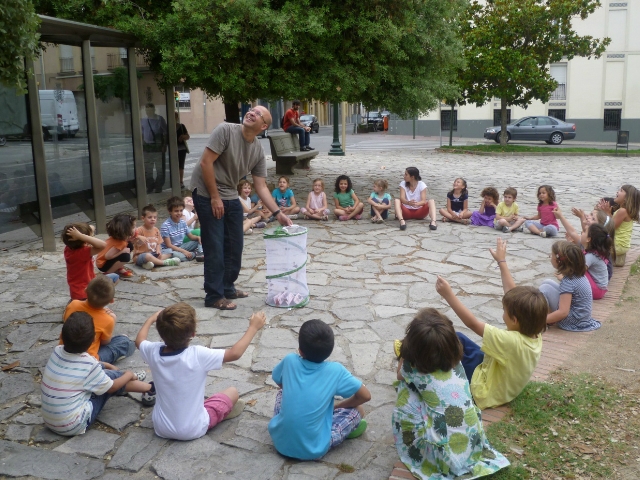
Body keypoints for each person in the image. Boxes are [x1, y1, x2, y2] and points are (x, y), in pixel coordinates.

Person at [190, 106, 292, 311]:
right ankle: (213, 295)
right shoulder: (225, 130)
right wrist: (214, 198)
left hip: (229, 194)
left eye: (258, 113)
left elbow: (261, 186)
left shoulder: (256, 151)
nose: (252, 112)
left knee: (235, 245)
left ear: (263, 126)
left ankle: (227, 286)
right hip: (205, 192)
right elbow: (205, 163)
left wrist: (278, 213)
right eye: (252, 109)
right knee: (215, 246)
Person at [393, 309, 510, 479]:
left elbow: (399, 376)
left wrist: (403, 355)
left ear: (413, 346)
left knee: (405, 388)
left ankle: (411, 439)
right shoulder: (458, 365)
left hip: (441, 454)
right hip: (472, 443)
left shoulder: (412, 368)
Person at [435, 238, 548, 409]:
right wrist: (501, 261)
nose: (503, 315)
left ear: (515, 320)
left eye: (504, 312)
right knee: (457, 339)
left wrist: (448, 295)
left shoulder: (511, 341)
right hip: (497, 372)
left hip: (484, 389)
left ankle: (430, 375)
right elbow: (513, 294)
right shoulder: (534, 330)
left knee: (446, 342)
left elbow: (472, 323)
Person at [135, 302, 266, 441]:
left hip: (161, 427)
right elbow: (235, 354)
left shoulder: (153, 351)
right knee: (232, 392)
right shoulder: (197, 355)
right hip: (193, 429)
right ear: (193, 334)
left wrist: (150, 320)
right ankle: (218, 412)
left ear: (160, 333)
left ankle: (210, 408)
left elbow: (139, 341)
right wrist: (253, 327)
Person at [268, 320, 371, 460]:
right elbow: (365, 396)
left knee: (281, 393)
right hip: (313, 449)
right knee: (358, 409)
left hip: (280, 441)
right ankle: (349, 427)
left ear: (300, 350)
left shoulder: (290, 360)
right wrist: (338, 406)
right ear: (330, 350)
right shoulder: (336, 370)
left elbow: (277, 380)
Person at [42, 312, 155, 436]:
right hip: (74, 425)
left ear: (62, 335)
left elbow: (87, 365)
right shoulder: (89, 364)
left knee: (103, 375)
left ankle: (130, 381)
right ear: (92, 341)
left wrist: (107, 365)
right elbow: (112, 387)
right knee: (110, 379)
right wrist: (127, 374)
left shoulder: (57, 351)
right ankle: (149, 389)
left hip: (50, 421)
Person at [63, 276, 136, 364]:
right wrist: (113, 319)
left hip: (65, 350)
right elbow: (105, 342)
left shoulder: (73, 304)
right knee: (124, 341)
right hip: (89, 360)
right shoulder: (108, 319)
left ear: (85, 290)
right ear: (112, 300)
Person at [539, 241, 602, 332]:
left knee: (544, 289)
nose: (550, 257)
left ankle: (546, 320)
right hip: (581, 318)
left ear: (558, 260)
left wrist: (539, 321)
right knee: (547, 282)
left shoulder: (568, 281)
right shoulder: (576, 275)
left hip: (573, 322)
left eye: (551, 255)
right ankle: (550, 318)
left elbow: (563, 312)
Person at [62, 223, 119, 301]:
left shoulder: (68, 248)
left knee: (114, 277)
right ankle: (99, 300)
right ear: (85, 241)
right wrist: (81, 236)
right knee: (115, 278)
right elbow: (103, 245)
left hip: (77, 291)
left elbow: (92, 227)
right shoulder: (82, 252)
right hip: (86, 292)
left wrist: (80, 235)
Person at [597, 184, 640, 267]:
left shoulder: (622, 211)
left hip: (618, 245)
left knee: (593, 240)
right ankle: (618, 257)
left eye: (621, 191)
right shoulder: (624, 210)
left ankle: (607, 260)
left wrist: (606, 213)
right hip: (622, 245)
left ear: (627, 198)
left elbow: (610, 228)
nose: (617, 192)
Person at [133, 204, 181, 270]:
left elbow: (158, 243)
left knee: (169, 251)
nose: (153, 219)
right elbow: (131, 237)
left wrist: (158, 250)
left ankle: (150, 263)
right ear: (143, 218)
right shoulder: (139, 229)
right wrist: (138, 236)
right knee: (147, 256)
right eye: (150, 217)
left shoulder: (156, 230)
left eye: (155, 217)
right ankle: (164, 263)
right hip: (140, 256)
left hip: (153, 254)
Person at [161, 196, 203, 262]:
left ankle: (200, 253)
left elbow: (191, 237)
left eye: (181, 210)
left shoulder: (183, 222)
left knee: (200, 240)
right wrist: (184, 251)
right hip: (171, 249)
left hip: (182, 246)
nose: (179, 213)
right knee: (177, 255)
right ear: (169, 211)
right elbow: (169, 245)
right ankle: (194, 254)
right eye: (176, 211)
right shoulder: (165, 226)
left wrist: (198, 238)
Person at [95, 213, 137, 278]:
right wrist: (122, 251)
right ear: (126, 229)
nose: (135, 229)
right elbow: (108, 256)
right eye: (133, 227)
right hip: (102, 265)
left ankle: (119, 267)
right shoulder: (120, 243)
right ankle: (107, 274)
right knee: (125, 256)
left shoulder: (118, 238)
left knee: (130, 246)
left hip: (103, 261)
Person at [141, 103, 168, 193]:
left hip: (157, 148)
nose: (148, 112)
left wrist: (164, 145)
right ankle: (150, 185)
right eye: (146, 110)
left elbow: (165, 133)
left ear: (153, 110)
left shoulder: (159, 119)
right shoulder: (143, 120)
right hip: (147, 147)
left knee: (159, 169)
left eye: (150, 110)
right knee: (148, 169)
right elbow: (141, 133)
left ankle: (159, 185)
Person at [175, 112, 190, 189]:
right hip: (172, 149)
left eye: (175, 117)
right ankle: (174, 181)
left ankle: (180, 181)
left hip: (181, 149)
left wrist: (183, 136)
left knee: (180, 165)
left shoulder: (181, 126)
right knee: (174, 165)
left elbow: (188, 136)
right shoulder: (168, 127)